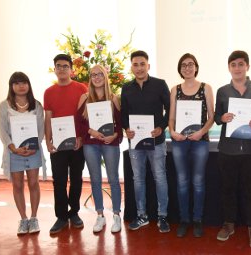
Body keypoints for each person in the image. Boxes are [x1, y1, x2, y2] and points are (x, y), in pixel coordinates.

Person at [214, 51, 251, 248]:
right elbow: (216, 117)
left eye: (241, 64)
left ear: (247, 66)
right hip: (227, 150)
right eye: (233, 65)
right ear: (229, 68)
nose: (237, 68)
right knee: (227, 189)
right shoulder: (222, 91)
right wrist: (222, 119)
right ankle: (228, 224)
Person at [121, 50, 171, 233]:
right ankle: (141, 215)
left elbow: (170, 108)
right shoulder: (126, 88)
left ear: (148, 66)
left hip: (156, 140)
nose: (139, 67)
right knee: (138, 179)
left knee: (160, 177)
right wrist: (126, 129)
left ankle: (162, 216)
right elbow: (123, 114)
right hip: (136, 142)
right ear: (132, 67)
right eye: (135, 64)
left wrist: (162, 127)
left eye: (142, 64)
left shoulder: (159, 84)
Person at [168, 53, 214, 238]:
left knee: (198, 181)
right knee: (182, 182)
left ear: (196, 67)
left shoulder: (206, 88)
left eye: (191, 64)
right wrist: (171, 132)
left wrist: (201, 132)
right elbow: (171, 117)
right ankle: (184, 219)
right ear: (180, 69)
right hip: (179, 141)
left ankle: (197, 219)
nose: (187, 68)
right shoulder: (175, 89)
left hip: (200, 141)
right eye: (184, 65)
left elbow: (212, 116)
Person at [75, 64, 123, 233]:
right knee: (95, 180)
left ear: (105, 77)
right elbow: (78, 123)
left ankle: (116, 215)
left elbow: (120, 124)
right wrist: (90, 131)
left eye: (99, 74)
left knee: (113, 179)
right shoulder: (85, 98)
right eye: (93, 75)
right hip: (91, 145)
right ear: (90, 78)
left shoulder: (114, 99)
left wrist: (115, 136)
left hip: (110, 144)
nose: (96, 77)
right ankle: (100, 216)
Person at [0, 72, 47, 235]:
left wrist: (34, 146)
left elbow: (41, 129)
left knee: (34, 184)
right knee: (17, 185)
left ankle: (34, 218)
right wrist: (13, 148)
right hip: (14, 152)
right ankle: (23, 219)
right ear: (11, 86)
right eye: (17, 83)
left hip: (33, 151)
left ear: (29, 85)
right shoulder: (4, 106)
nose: (21, 86)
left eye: (24, 82)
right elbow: (3, 131)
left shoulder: (37, 105)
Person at [44, 54, 88, 234]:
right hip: (59, 145)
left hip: (77, 143)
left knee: (77, 179)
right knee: (59, 181)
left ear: (72, 69)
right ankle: (61, 216)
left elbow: (86, 118)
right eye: (58, 66)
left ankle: (74, 212)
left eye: (65, 66)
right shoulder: (49, 92)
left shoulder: (81, 88)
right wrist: (47, 140)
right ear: (54, 69)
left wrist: (82, 138)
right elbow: (48, 119)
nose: (62, 69)